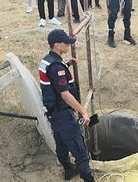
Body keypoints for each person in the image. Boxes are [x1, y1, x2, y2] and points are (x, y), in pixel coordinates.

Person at [39, 29, 94, 182]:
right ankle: (88, 178)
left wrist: (67, 64)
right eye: (66, 43)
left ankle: (68, 170)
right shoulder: (56, 67)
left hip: (53, 113)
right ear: (57, 45)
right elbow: (64, 94)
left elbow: (53, 79)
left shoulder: (48, 61)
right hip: (63, 114)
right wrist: (83, 111)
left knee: (61, 144)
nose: (69, 45)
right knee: (80, 152)